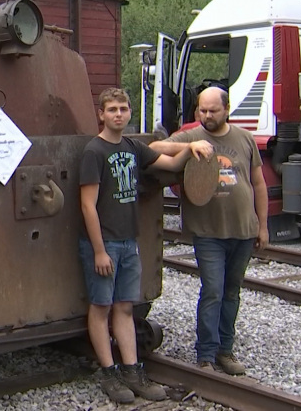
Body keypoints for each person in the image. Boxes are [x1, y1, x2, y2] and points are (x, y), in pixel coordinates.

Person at [80, 88, 213, 403]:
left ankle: (131, 369)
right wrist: (99, 250)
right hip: (105, 243)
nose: (118, 114)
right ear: (101, 114)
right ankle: (109, 373)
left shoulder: (132, 147)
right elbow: (88, 205)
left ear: (129, 112)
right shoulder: (94, 152)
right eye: (112, 109)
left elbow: (167, 162)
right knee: (101, 308)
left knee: (124, 307)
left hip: (128, 241)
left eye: (123, 109)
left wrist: (190, 145)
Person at [149, 86, 268, 375]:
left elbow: (258, 183)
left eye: (213, 110)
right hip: (208, 232)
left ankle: (225, 351)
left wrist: (262, 226)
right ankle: (206, 355)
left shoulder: (244, 138)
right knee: (213, 290)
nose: (207, 115)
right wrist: (188, 148)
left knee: (231, 292)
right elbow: (153, 149)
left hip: (243, 230)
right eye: (202, 110)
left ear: (226, 109)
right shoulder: (193, 135)